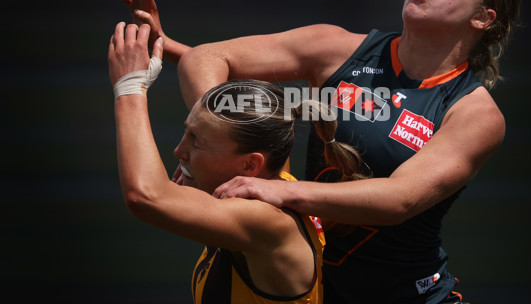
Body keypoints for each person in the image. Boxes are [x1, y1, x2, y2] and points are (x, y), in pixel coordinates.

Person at [107, 0, 521, 303]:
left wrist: (282, 193)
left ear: (484, 18)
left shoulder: (474, 112)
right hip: (316, 285)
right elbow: (208, 58)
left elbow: (400, 199)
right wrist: (221, 139)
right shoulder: (337, 48)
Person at [108, 22, 366, 303]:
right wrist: (162, 44)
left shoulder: (267, 221)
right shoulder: (271, 172)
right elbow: (206, 82)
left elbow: (145, 197)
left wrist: (129, 88)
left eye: (196, 141)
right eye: (186, 132)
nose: (179, 151)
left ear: (250, 166)